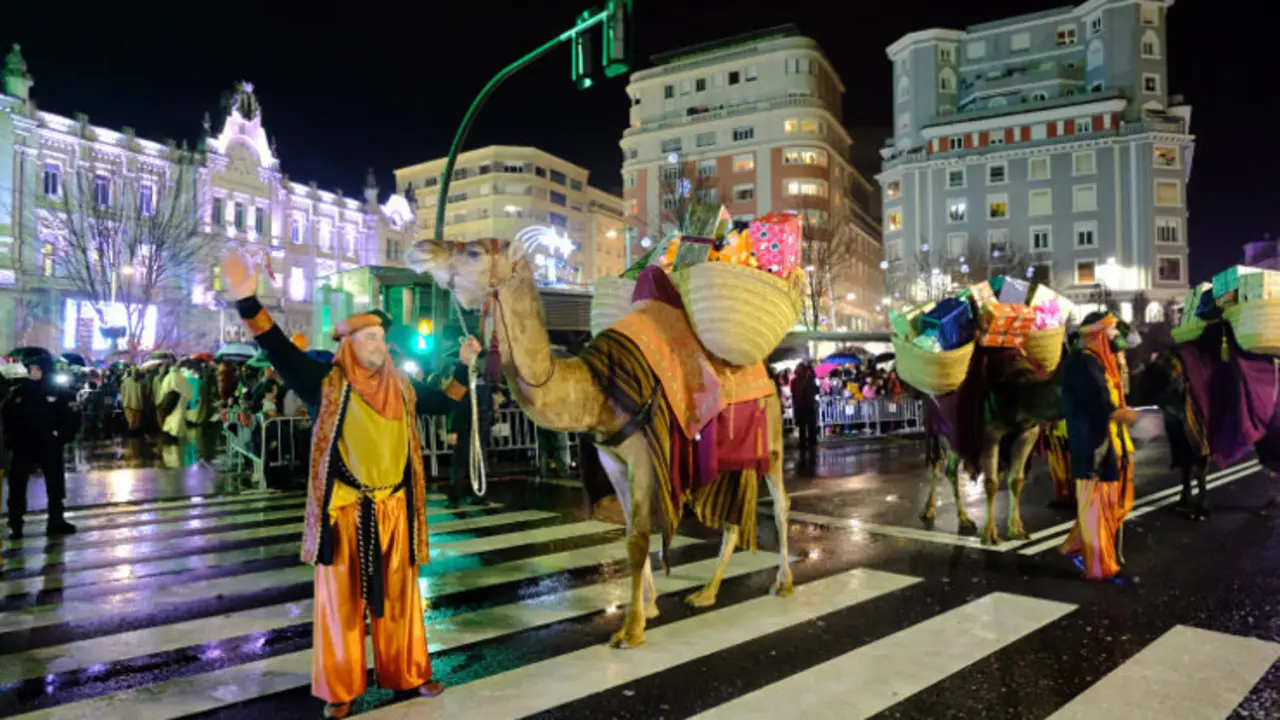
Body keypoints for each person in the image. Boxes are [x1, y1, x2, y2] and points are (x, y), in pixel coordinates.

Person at [220, 251, 479, 719]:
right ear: (350, 343)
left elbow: (447, 404)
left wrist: (463, 366)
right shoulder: (325, 381)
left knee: (401, 600)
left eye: (382, 337)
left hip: (396, 510)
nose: (381, 344)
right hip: (345, 510)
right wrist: (246, 301)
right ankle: (341, 689)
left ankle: (408, 674)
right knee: (340, 606)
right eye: (372, 337)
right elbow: (277, 348)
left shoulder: (401, 385)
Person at [1059, 312, 1140, 581]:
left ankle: (1075, 545)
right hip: (1094, 444)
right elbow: (1097, 399)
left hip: (1112, 442)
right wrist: (1118, 414)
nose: (1117, 336)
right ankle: (1099, 566)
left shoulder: (1103, 361)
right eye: (1112, 331)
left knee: (1118, 502)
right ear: (1097, 335)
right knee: (1097, 505)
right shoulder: (1081, 362)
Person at [2, 355, 79, 538]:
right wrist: (11, 439)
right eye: (31, 369)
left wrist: (60, 437)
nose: (32, 372)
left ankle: (56, 520)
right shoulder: (20, 392)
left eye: (36, 368)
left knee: (55, 485)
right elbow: (7, 416)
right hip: (24, 445)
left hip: (49, 446)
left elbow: (72, 417)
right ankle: (15, 522)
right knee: (17, 485)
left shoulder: (60, 392)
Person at [790, 361, 820, 455]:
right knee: (811, 426)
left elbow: (793, 393)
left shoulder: (794, 381)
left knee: (802, 427)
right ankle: (812, 442)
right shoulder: (809, 379)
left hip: (799, 406)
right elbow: (816, 390)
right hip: (809, 405)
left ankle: (802, 443)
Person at [120, 369, 143, 433]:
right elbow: (139, 394)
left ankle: (131, 429)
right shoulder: (138, 382)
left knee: (130, 419)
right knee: (135, 419)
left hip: (127, 403)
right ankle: (133, 430)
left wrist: (122, 400)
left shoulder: (125, 381)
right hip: (136, 404)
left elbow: (122, 392)